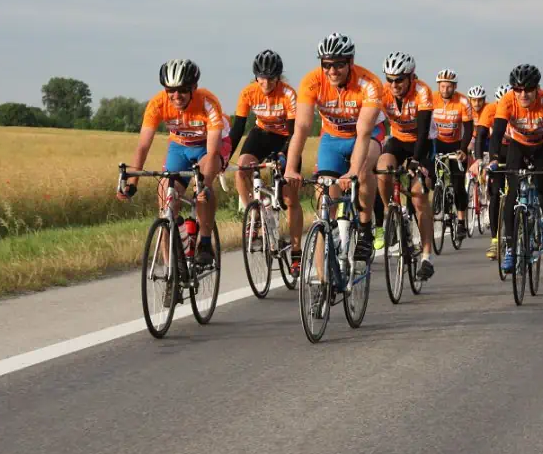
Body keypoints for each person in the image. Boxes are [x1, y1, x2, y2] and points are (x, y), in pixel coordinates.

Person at [284, 32, 383, 265]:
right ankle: (322, 279)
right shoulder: (312, 81)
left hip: (365, 136)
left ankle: (366, 228)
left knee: (363, 170)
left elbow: (363, 132)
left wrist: (353, 171)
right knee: (324, 203)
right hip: (332, 138)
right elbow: (302, 127)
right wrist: (290, 168)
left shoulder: (369, 84)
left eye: (339, 64)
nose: (332, 70)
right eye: (327, 64)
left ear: (350, 62)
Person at [118, 59, 224, 264]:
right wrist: (132, 183)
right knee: (165, 202)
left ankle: (204, 241)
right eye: (170, 90)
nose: (176, 96)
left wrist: (205, 184)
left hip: (205, 147)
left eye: (182, 90)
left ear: (194, 87)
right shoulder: (158, 103)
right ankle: (171, 267)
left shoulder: (207, 102)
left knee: (203, 187)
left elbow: (213, 152)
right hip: (179, 148)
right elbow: (143, 146)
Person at [228, 49, 302, 275]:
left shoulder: (288, 94)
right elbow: (237, 129)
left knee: (289, 198)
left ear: (278, 77)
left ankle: (296, 253)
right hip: (261, 134)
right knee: (242, 167)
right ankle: (254, 214)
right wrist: (223, 158)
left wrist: (284, 155)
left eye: (271, 78)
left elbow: (294, 133)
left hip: (285, 139)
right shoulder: (248, 92)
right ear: (256, 77)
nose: (266, 83)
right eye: (262, 78)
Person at [487, 65, 543, 271]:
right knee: (511, 195)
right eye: (518, 90)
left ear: (537, 88)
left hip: (542, 147)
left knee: (542, 182)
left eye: (528, 89)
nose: (523, 94)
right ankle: (511, 249)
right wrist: (493, 159)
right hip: (518, 146)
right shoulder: (507, 101)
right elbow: (497, 133)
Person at [376, 51, 437, 280]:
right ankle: (390, 212)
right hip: (398, 140)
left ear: (411, 77)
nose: (394, 85)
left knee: (419, 196)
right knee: (383, 169)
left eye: (399, 80)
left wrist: (416, 162)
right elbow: (372, 122)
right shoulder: (383, 93)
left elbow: (423, 132)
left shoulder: (422, 91)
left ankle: (427, 257)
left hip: (423, 144)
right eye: (390, 79)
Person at [432, 69, 474, 241]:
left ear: (455, 87)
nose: (445, 90)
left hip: (456, 144)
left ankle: (461, 222)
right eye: (442, 86)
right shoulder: (432, 99)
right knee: (432, 176)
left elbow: (469, 129)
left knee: (458, 185)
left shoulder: (463, 101)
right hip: (437, 142)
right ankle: (438, 195)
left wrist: (463, 150)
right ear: (438, 86)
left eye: (449, 86)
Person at [470, 84, 512, 259]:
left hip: (516, 150)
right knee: (495, 196)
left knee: (517, 192)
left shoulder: (520, 109)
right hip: (498, 152)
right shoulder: (490, 109)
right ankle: (495, 240)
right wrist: (479, 159)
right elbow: (480, 135)